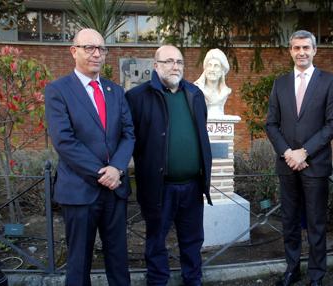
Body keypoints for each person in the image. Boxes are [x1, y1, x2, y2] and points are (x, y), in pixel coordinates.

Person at [45, 28, 134, 286]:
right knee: (79, 263)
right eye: (89, 48)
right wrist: (102, 173)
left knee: (118, 261)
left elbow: (129, 134)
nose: (97, 54)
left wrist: (116, 168)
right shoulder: (58, 90)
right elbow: (64, 140)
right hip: (79, 191)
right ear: (74, 51)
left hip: (115, 191)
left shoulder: (115, 91)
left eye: (101, 49)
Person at [125, 45, 213, 286]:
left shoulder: (195, 94)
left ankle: (193, 280)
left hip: (193, 186)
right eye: (169, 61)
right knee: (156, 240)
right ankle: (157, 281)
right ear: (156, 65)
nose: (175, 66)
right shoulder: (137, 97)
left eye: (180, 62)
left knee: (193, 240)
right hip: (158, 187)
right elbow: (128, 140)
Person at [266, 30, 333, 286]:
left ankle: (316, 275)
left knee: (316, 223)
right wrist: (288, 153)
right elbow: (271, 124)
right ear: (290, 51)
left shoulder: (329, 82)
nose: (301, 52)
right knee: (289, 221)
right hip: (287, 165)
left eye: (306, 48)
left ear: (314, 50)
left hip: (315, 165)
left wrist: (305, 151)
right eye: (296, 48)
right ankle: (292, 269)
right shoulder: (280, 83)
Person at [194, 48, 232, 116]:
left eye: (216, 66)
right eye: (209, 65)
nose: (212, 69)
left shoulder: (225, 91)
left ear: (222, 71)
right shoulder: (197, 89)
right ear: (205, 69)